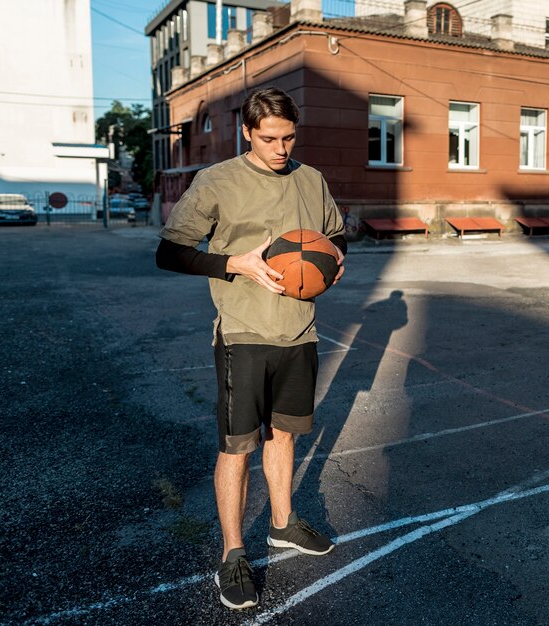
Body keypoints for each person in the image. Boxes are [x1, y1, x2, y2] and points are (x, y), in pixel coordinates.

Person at [155, 87, 347, 610]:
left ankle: (283, 525)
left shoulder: (311, 179)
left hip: (300, 332)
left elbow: (334, 234)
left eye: (288, 137)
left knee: (283, 435)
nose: (280, 148)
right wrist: (233, 263)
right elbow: (169, 253)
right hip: (243, 333)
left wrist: (333, 259)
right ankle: (233, 553)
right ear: (246, 131)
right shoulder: (217, 181)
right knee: (237, 447)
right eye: (269, 139)